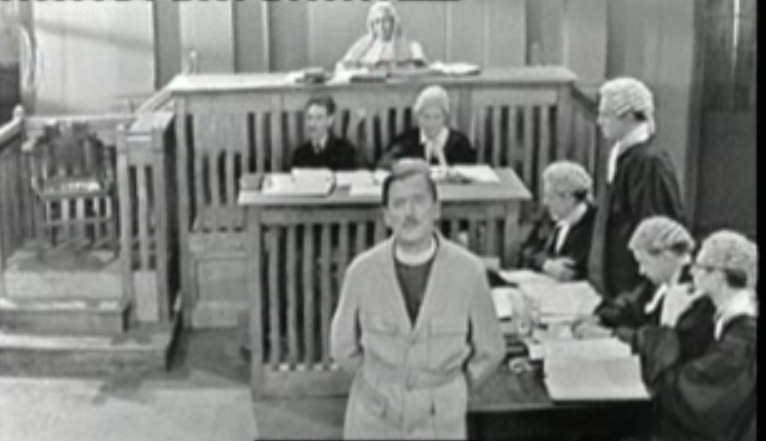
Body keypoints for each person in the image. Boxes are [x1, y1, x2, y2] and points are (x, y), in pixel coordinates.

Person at [330, 159, 505, 439]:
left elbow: (491, 349)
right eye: (398, 204)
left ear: (436, 209)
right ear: (386, 216)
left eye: (418, 201)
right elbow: (342, 348)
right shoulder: (361, 272)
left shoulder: (469, 271)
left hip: (441, 423)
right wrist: (381, 382)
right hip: (373, 419)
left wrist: (451, 388)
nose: (408, 213)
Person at [634, 230, 757, 441]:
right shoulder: (710, 313)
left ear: (718, 276)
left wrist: (668, 324)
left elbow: (679, 394)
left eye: (698, 266)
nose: (691, 272)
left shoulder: (743, 341)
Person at [587, 77, 685, 303]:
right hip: (617, 290)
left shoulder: (648, 164)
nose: (599, 122)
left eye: (606, 115)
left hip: (635, 290)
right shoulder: (622, 158)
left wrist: (637, 298)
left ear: (630, 116)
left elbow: (655, 237)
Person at [575, 217, 716, 361]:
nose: (641, 271)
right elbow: (633, 307)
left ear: (665, 255)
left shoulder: (693, 291)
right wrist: (602, 318)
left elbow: (664, 342)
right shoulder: (663, 282)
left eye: (644, 262)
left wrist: (612, 334)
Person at [516, 160, 597, 282]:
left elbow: (586, 269)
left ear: (569, 198)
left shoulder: (596, 226)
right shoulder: (551, 217)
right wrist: (546, 264)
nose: (545, 202)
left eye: (550, 196)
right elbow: (527, 251)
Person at [378, 85, 475, 169]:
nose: (431, 123)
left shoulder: (459, 142)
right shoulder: (408, 139)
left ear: (445, 117)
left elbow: (471, 169)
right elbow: (384, 162)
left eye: (437, 117)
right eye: (426, 117)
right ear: (418, 117)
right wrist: (411, 165)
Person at [337, 0, 427, 71]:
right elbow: (342, 67)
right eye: (377, 22)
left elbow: (422, 71)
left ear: (393, 22)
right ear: (372, 26)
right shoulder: (362, 46)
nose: (381, 26)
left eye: (385, 21)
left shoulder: (412, 47)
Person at [291, 95, 357, 171]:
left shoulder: (345, 151)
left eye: (319, 118)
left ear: (330, 120)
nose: (312, 124)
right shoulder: (299, 154)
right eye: (310, 118)